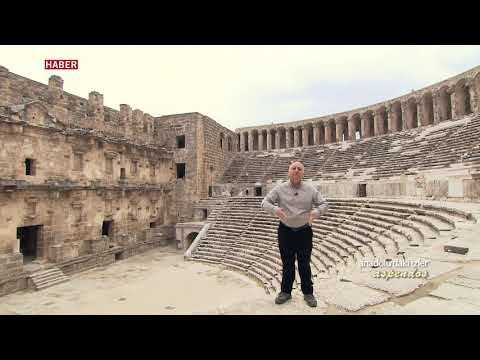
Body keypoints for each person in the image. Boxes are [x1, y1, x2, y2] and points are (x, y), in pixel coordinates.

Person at [261, 160, 328, 307]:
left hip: (304, 231)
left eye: (299, 169)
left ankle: (308, 293)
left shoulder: (310, 190)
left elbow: (324, 204)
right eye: (294, 168)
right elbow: (264, 202)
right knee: (287, 264)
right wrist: (275, 210)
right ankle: (285, 292)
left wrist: (316, 212)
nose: (296, 170)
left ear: (303, 173)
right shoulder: (279, 189)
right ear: (289, 171)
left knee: (304, 264)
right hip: (286, 231)